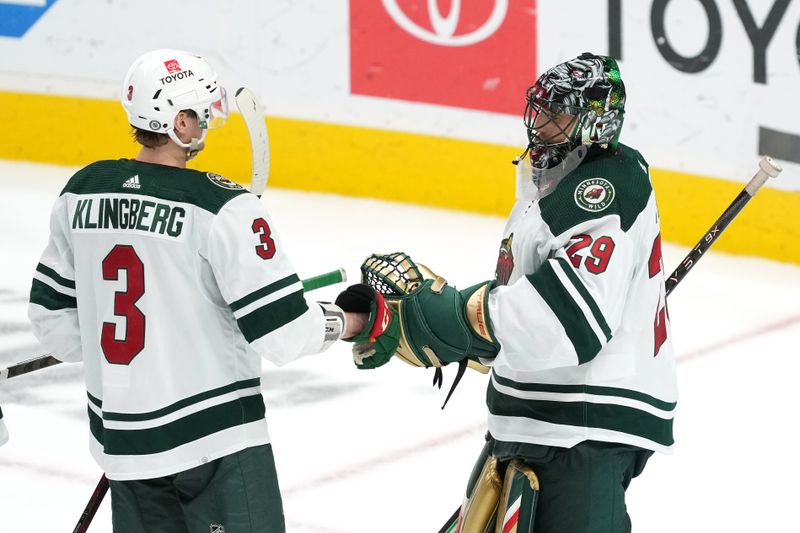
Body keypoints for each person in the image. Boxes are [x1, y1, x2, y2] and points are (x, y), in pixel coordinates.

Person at [336, 53, 677, 532]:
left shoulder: (602, 188)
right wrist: (452, 332)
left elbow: (562, 324)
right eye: (541, 109)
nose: (540, 122)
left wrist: (450, 315)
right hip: (540, 422)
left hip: (582, 431)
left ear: (596, 123)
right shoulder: (555, 178)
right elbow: (528, 315)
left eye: (558, 114)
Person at [27, 49, 364, 533]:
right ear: (180, 121)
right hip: (217, 445)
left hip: (125, 448)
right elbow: (285, 334)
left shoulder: (82, 191)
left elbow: (54, 325)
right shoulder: (222, 206)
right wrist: (353, 319)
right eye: (201, 111)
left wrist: (135, 362)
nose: (209, 119)